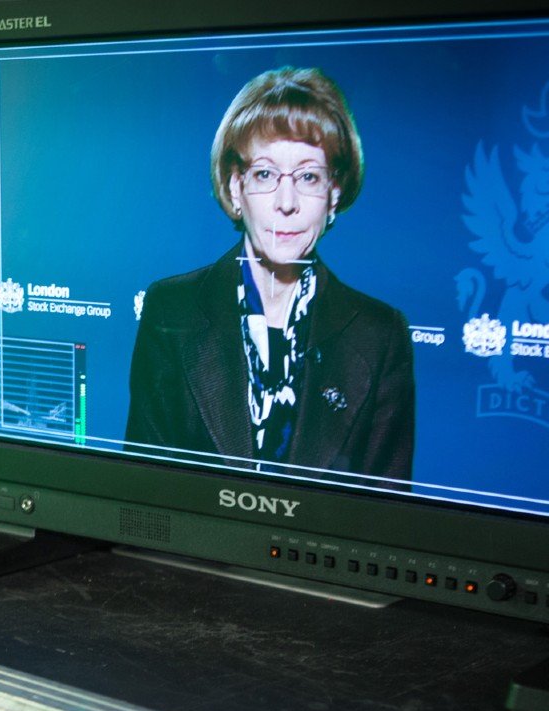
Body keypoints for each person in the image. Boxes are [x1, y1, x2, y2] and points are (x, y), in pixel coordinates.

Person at [125, 67, 414, 480]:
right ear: (235, 186)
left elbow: (386, 520)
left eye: (308, 176)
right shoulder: (171, 309)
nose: (286, 201)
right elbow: (144, 490)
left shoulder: (381, 335)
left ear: (333, 194)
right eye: (264, 174)